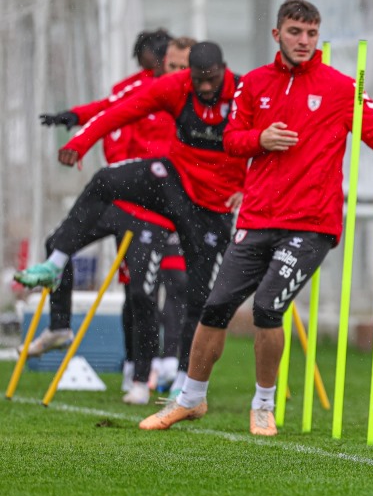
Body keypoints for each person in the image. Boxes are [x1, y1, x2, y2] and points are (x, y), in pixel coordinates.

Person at [137, 0, 373, 436]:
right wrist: (260, 138)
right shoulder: (254, 84)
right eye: (296, 32)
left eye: (312, 33)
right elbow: (231, 140)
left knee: (266, 308)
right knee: (216, 306)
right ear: (277, 34)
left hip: (311, 224)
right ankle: (190, 399)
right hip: (258, 216)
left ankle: (263, 405)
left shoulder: (340, 87)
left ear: (318, 36)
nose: (304, 41)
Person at [14, 42, 247, 405]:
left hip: (211, 208)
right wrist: (80, 137)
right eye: (190, 76)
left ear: (223, 70)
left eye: (209, 79)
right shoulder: (166, 87)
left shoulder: (247, 93)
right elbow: (116, 110)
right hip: (169, 186)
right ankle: (54, 269)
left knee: (192, 297)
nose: (202, 88)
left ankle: (184, 383)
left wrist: (251, 189)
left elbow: (270, 142)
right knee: (105, 181)